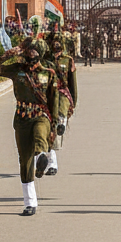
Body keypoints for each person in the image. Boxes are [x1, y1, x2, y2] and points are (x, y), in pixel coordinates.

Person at [0, 36, 59, 215]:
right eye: (28, 50)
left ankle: (42, 156)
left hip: (40, 115)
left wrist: (54, 125)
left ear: (40, 53)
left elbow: (53, 101)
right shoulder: (17, 69)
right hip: (21, 117)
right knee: (24, 160)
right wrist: (10, 53)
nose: (31, 53)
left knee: (40, 134)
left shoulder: (48, 73)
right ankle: (30, 202)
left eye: (34, 50)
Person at [43, 29, 78, 175]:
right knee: (47, 130)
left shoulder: (68, 60)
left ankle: (62, 121)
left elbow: (72, 84)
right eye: (54, 40)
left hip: (62, 93)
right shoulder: (44, 60)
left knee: (59, 115)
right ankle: (51, 162)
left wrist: (73, 103)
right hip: (48, 96)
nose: (56, 44)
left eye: (59, 40)